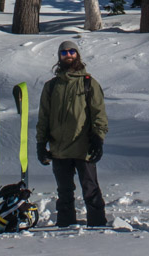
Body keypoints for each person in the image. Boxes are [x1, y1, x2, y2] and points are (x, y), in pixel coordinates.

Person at [36, 39, 108, 228]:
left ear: (77, 55)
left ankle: (98, 226)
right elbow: (43, 117)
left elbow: (99, 113)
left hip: (84, 147)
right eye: (64, 52)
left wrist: (98, 138)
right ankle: (65, 227)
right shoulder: (51, 86)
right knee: (64, 192)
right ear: (59, 57)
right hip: (59, 148)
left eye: (71, 52)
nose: (68, 55)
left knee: (90, 189)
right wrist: (41, 144)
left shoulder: (88, 83)